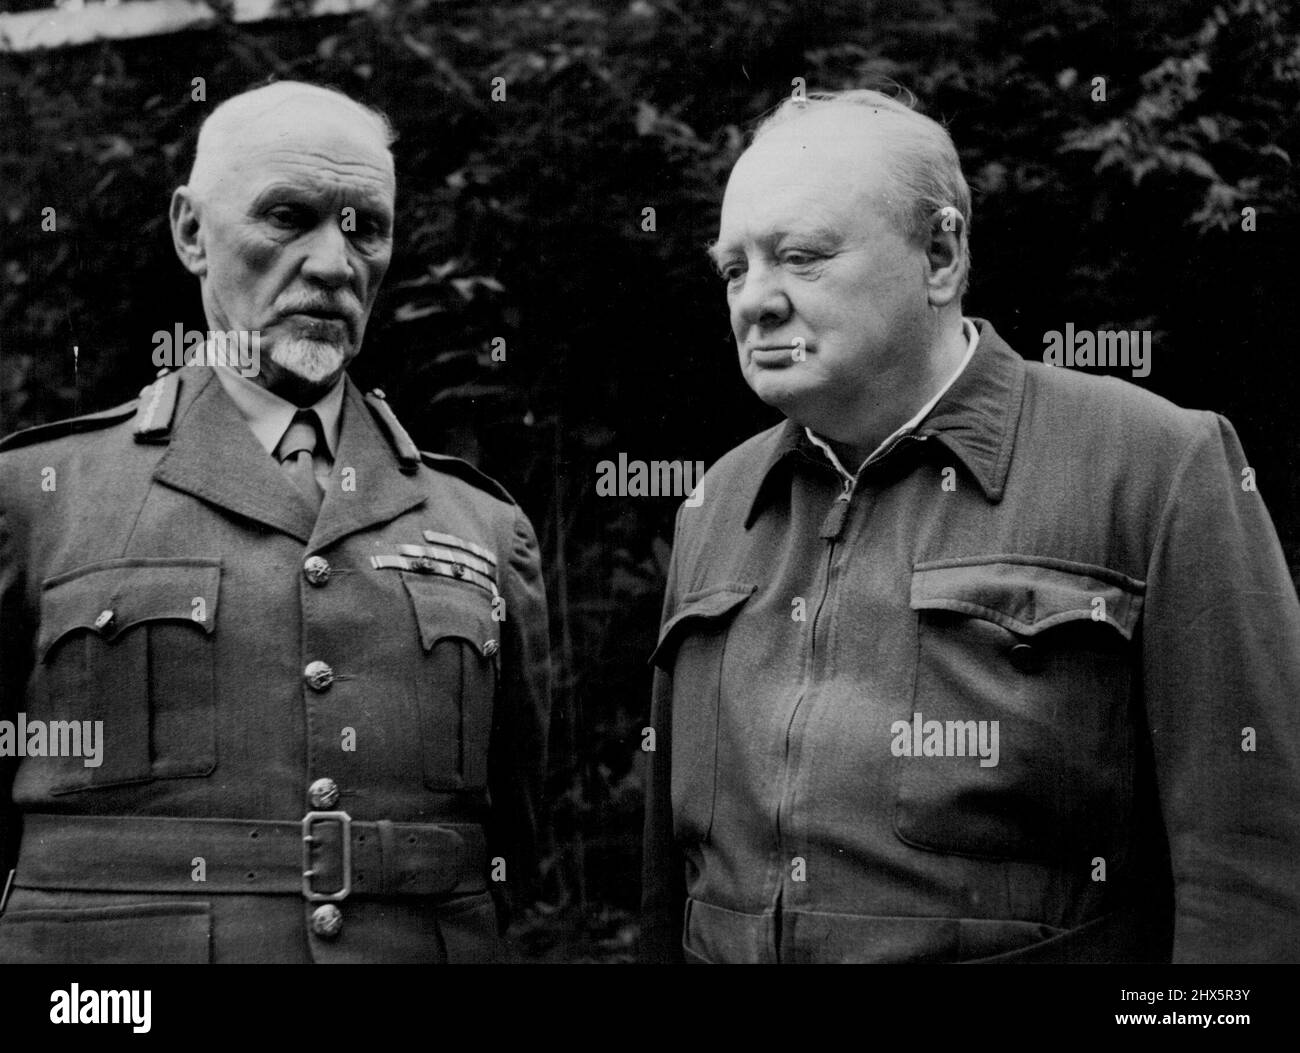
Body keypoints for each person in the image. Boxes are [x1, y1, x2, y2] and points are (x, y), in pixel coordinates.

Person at [641, 88, 1300, 963]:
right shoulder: (716, 503)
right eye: (735, 267)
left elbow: (1252, 877)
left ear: (941, 256)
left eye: (800, 256)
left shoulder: (1152, 465)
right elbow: (666, 889)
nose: (755, 300)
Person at [0, 81, 551, 963]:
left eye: (365, 226)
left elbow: (511, 837)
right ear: (191, 232)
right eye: (288, 216)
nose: (334, 263)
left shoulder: (482, 524)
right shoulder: (36, 498)